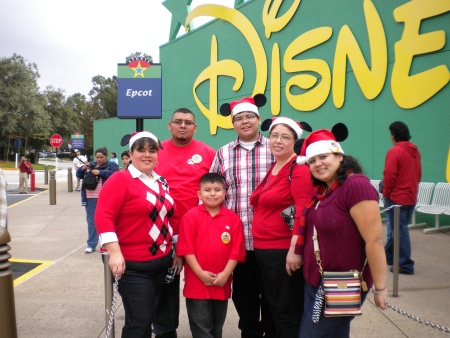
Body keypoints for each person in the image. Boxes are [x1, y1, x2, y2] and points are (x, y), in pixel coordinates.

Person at [292, 128, 387, 337]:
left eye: (323, 157)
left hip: (342, 284)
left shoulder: (356, 185)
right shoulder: (323, 191)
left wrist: (380, 288)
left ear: (339, 156)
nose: (318, 163)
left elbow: (375, 241)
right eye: (312, 160)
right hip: (316, 282)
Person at [94, 131, 175, 337]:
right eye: (141, 150)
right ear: (130, 154)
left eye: (152, 150)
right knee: (140, 323)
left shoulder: (160, 181)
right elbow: (103, 217)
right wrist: (114, 252)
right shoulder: (120, 179)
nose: (147, 155)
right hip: (133, 267)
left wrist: (176, 250)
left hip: (163, 263)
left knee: (159, 318)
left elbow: (167, 217)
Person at [210, 94, 276, 338]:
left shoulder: (275, 148)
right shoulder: (223, 153)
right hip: (238, 242)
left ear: (259, 119)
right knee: (244, 297)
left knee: (272, 297)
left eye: (249, 116)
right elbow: (212, 194)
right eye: (239, 118)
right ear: (233, 123)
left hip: (272, 241)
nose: (245, 121)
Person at [153, 108, 216, 338]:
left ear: (195, 128)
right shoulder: (155, 151)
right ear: (169, 126)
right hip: (163, 233)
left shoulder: (208, 153)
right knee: (166, 288)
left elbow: (218, 190)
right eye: (178, 122)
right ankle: (165, 332)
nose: (183, 125)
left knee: (200, 286)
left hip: (200, 234)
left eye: (188, 122)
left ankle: (204, 333)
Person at [250, 117, 314, 337]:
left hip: (282, 250)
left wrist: (295, 251)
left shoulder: (298, 167)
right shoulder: (276, 165)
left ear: (295, 142)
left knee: (287, 310)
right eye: (274, 135)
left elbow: (303, 210)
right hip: (264, 249)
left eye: (285, 137)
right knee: (274, 307)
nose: (277, 141)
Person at [177, 173, 246, 338]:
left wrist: (225, 274)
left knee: (216, 329)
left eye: (217, 190)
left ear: (224, 193)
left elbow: (236, 252)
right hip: (197, 284)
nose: (213, 194)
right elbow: (187, 250)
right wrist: (200, 273)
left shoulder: (233, 219)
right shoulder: (190, 217)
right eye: (207, 190)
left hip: (221, 283)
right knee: (202, 329)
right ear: (199, 194)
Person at [382, 121, 421, 275]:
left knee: (400, 232)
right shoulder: (415, 151)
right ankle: (389, 255)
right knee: (398, 230)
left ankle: (405, 264)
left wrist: (386, 193)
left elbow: (389, 175)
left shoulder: (395, 151)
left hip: (396, 198)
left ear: (394, 135)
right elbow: (418, 174)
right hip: (410, 196)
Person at [76, 147, 119, 253]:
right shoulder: (91, 164)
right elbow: (79, 174)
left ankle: (106, 245)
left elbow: (116, 175)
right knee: (91, 221)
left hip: (105, 197)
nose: (99, 159)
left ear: (106, 156)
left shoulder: (111, 165)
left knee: (106, 221)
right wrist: (83, 168)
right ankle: (91, 244)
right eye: (97, 157)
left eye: (101, 157)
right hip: (90, 197)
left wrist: (100, 173)